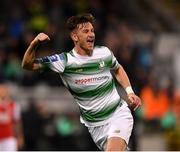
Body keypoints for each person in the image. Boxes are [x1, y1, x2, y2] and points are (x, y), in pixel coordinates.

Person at [22, 13, 141, 151]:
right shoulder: (64, 62)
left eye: (92, 31)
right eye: (85, 31)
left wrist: (130, 91)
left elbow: (118, 68)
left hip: (118, 114)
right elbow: (27, 65)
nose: (91, 34)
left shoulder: (104, 53)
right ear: (75, 37)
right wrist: (34, 44)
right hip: (95, 127)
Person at [0, 83, 24, 151]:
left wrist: (20, 137)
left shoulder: (13, 105)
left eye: (3, 90)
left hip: (8, 138)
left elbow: (17, 122)